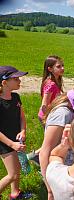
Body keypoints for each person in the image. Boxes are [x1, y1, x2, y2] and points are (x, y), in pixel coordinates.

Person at [0, 66, 32, 199]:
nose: (19, 81)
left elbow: (21, 117)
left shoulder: (16, 97)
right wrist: (11, 144)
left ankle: (15, 193)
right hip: (4, 142)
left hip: (16, 140)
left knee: (17, 168)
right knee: (12, 174)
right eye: (16, 78)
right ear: (4, 82)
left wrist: (23, 130)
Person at [28, 55, 64, 164]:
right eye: (59, 66)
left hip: (50, 115)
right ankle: (36, 160)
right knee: (51, 143)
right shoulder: (51, 84)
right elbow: (44, 104)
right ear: (50, 69)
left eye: (63, 65)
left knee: (51, 142)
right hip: (47, 116)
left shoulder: (57, 80)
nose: (62, 68)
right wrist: (47, 118)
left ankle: (34, 157)